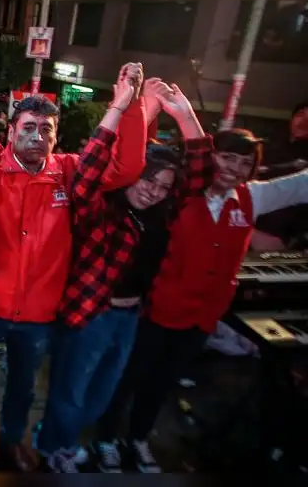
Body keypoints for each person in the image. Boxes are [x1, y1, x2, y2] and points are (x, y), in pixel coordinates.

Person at [0, 65, 145, 473]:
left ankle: (11, 445)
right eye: (28, 127)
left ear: (56, 135)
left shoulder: (67, 170)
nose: (37, 135)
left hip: (38, 312)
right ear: (11, 132)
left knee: (23, 390)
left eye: (46, 128)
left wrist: (129, 107)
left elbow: (127, 169)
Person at [93, 123, 308, 473]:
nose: (234, 168)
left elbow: (301, 186)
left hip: (201, 317)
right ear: (210, 158)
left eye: (244, 162)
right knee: (129, 379)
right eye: (227, 157)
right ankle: (105, 439)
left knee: (162, 384)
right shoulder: (179, 195)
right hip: (157, 311)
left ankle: (137, 438)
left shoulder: (254, 197)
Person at [35, 77, 208, 473]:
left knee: (102, 395)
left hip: (130, 318)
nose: (154, 190)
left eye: (164, 186)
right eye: (148, 180)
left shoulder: (164, 213)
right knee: (71, 392)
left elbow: (201, 177)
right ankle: (53, 447)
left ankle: (57, 437)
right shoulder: (101, 205)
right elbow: (91, 166)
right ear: (133, 175)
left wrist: (184, 115)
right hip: (90, 313)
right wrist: (121, 107)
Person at [252, 100, 308, 250]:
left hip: (279, 238)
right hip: (248, 224)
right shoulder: (266, 147)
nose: (305, 121)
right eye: (301, 114)